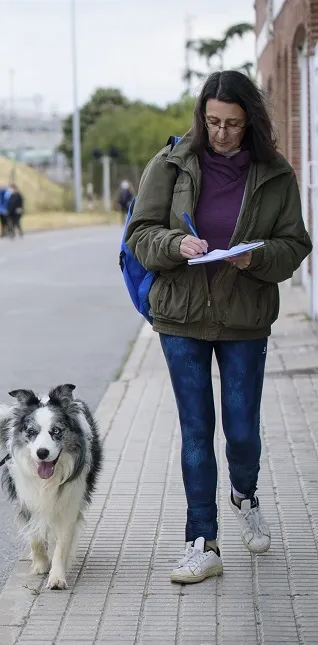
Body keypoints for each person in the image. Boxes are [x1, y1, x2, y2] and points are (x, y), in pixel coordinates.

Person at [125, 70, 312, 585]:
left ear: (250, 121)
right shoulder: (169, 165)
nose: (221, 133)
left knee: (243, 429)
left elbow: (296, 245)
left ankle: (245, 493)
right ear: (201, 118)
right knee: (195, 430)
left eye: (232, 124)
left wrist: (257, 257)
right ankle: (201, 541)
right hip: (180, 317)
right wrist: (174, 245)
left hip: (245, 319)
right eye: (212, 123)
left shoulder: (276, 174)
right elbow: (140, 235)